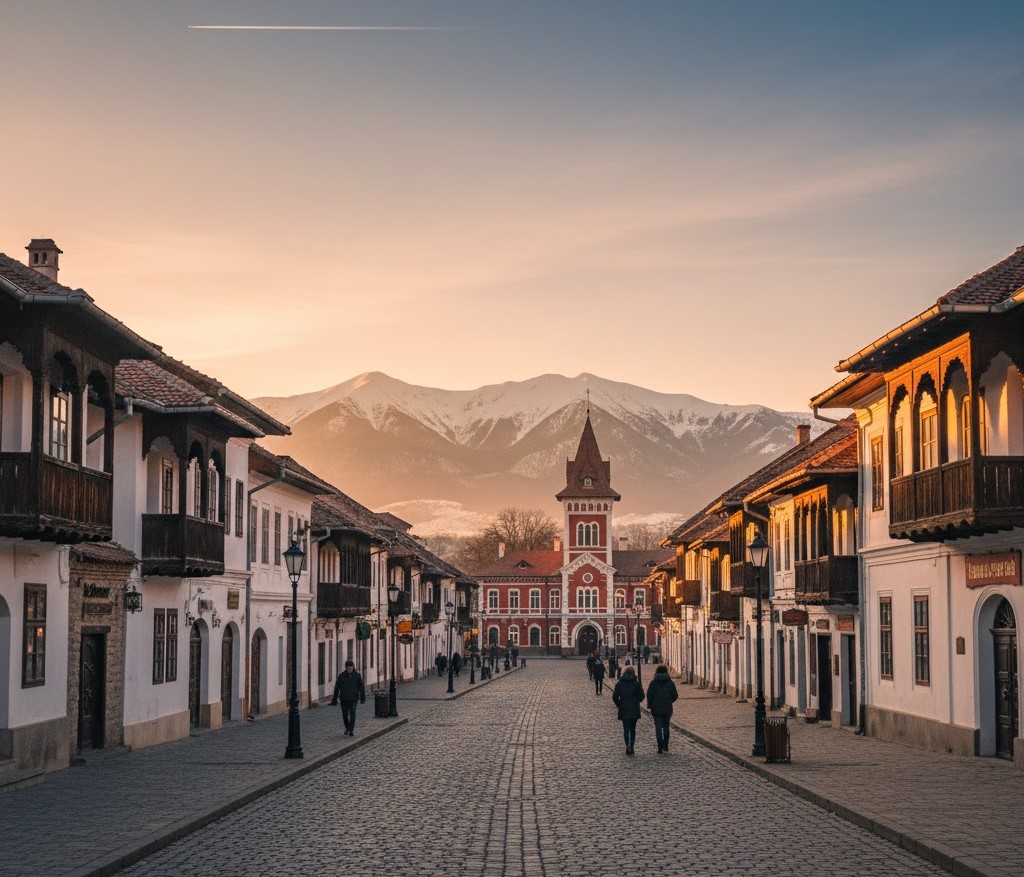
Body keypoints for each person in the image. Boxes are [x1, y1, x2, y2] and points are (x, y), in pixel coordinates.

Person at [612, 661, 645, 755]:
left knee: (626, 729)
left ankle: (627, 745)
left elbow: (614, 697)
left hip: (624, 708)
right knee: (633, 729)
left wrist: (619, 705)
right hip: (634, 709)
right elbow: (642, 696)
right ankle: (632, 746)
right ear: (633, 673)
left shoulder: (620, 683)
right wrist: (636, 702)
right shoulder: (636, 683)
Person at [646, 664, 679, 753]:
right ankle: (666, 745)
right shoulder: (670, 683)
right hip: (667, 708)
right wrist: (669, 701)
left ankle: (660, 747)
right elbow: (675, 695)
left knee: (658, 728)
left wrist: (650, 705)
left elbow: (649, 695)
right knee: (666, 727)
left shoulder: (653, 683)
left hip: (656, 708)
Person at [330, 660, 366, 736]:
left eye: (351, 668)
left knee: (353, 713)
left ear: (353, 667)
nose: (349, 669)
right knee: (345, 715)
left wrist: (362, 698)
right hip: (344, 699)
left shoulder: (357, 676)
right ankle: (347, 727)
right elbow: (337, 688)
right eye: (348, 668)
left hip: (354, 699)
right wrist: (334, 699)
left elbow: (361, 687)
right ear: (346, 668)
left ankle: (351, 729)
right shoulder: (342, 676)